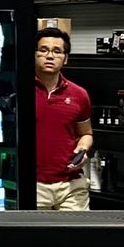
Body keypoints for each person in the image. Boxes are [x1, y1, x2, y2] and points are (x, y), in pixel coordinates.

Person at [34, 26, 94, 212]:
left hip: (71, 186)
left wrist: (82, 150)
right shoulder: (17, 91)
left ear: (65, 59)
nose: (50, 56)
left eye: (57, 51)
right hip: (33, 185)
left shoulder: (79, 94)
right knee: (31, 241)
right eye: (43, 50)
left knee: (76, 239)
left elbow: (86, 133)